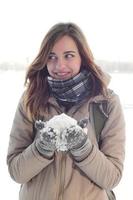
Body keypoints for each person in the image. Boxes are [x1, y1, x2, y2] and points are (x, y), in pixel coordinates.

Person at [7, 22, 125, 200]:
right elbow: (17, 172)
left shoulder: (106, 103)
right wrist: (42, 148)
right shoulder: (30, 101)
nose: (59, 65)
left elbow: (111, 177)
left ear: (82, 58)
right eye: (51, 56)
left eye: (68, 56)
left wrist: (82, 147)